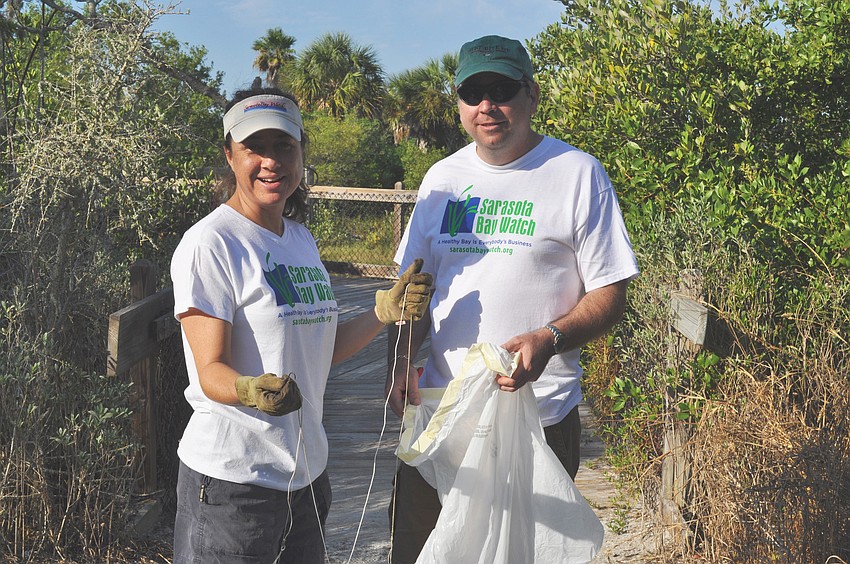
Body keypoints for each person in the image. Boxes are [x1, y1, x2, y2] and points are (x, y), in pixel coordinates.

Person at [385, 35, 640, 562]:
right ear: (458, 102)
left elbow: (611, 292)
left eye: (501, 90)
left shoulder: (577, 174)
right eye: (472, 92)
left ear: (532, 94)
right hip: (442, 417)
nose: (487, 105)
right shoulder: (442, 179)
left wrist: (551, 338)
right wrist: (401, 358)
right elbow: (412, 291)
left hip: (538, 421)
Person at [170, 85, 432, 564]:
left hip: (307, 480)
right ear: (229, 155)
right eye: (255, 147)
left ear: (301, 153)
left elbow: (319, 350)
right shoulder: (211, 243)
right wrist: (250, 389)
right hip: (234, 487)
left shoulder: (300, 239)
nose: (271, 161)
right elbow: (210, 372)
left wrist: (381, 312)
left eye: (284, 146)